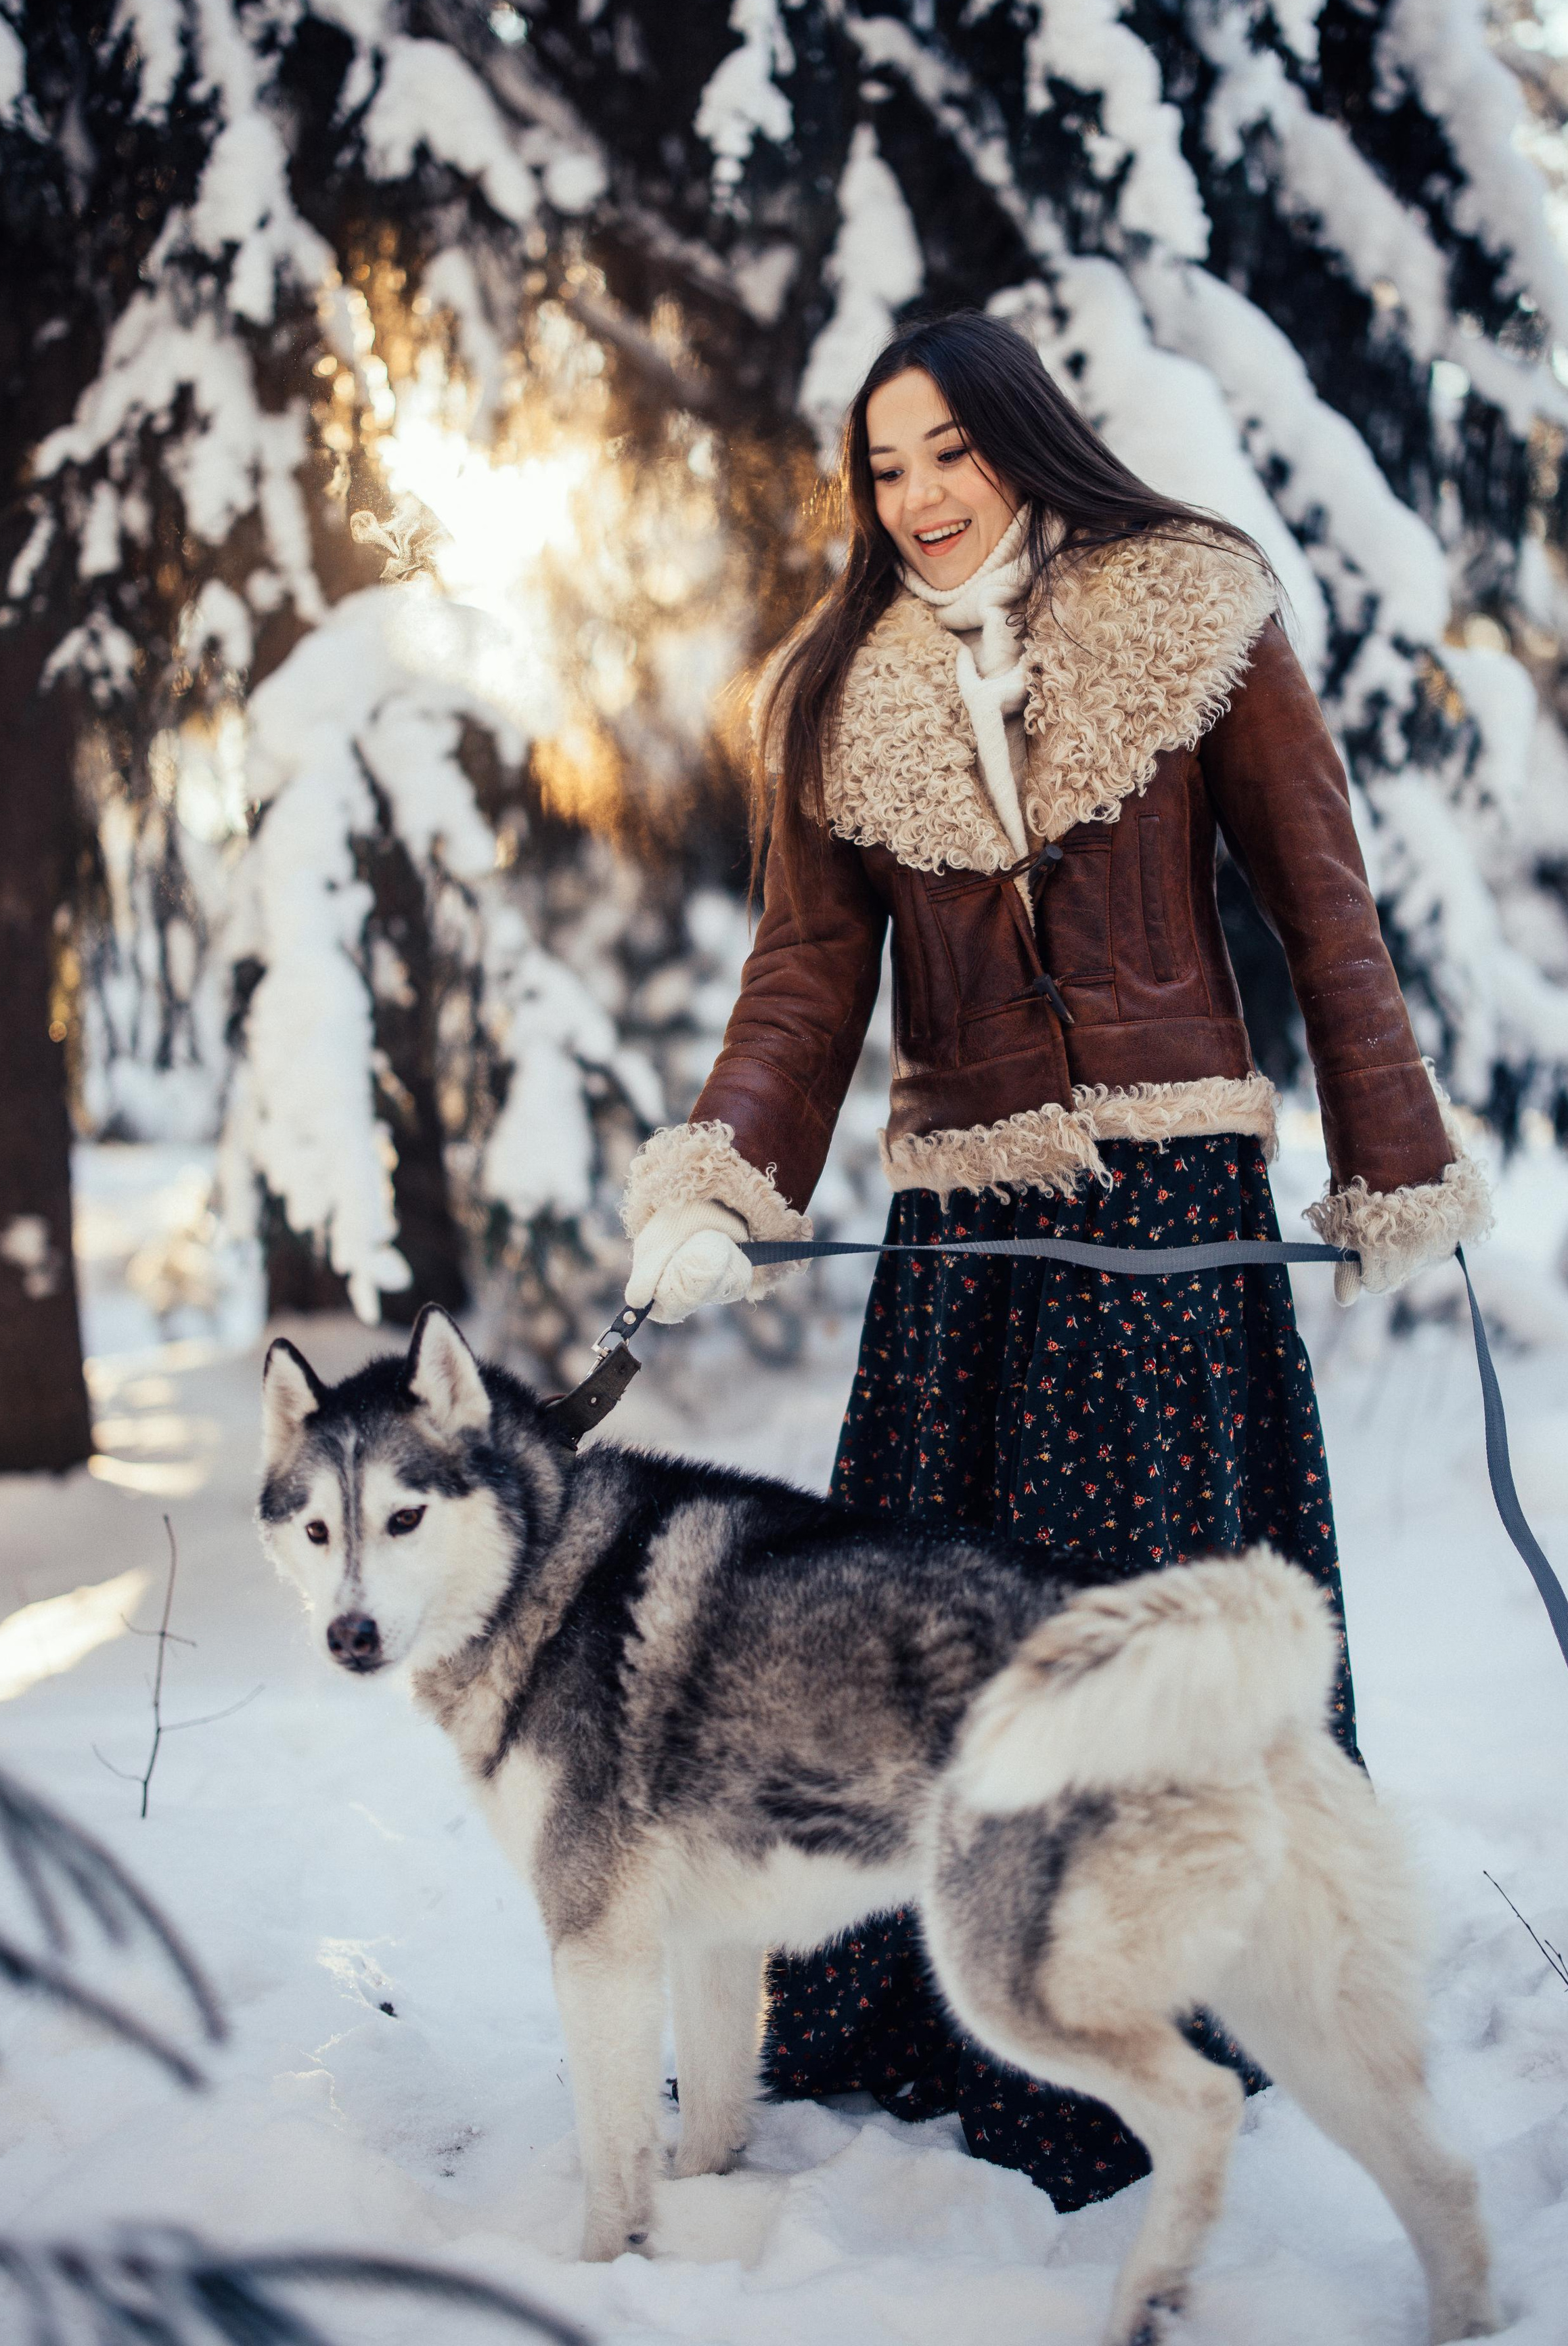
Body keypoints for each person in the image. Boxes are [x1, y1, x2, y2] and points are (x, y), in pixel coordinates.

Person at [620, 311, 1490, 2211]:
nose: (919, 495)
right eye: (885, 466)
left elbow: (1321, 899)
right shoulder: (836, 691)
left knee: (1162, 1630)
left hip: (1175, 1213)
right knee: (955, 1656)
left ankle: (1219, 1979)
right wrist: (722, 1185)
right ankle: (984, 2012)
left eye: (949, 450)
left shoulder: (1194, 611)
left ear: (1021, 438)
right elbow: (802, 979)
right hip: (974, 1240)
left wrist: (1395, 1155)